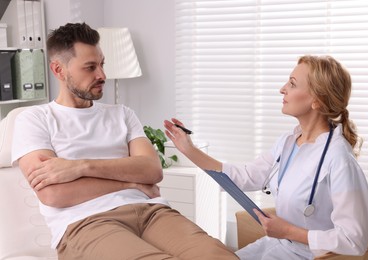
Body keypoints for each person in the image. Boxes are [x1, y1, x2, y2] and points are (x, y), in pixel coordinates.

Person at [11, 22, 238, 260]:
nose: (102, 75)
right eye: (90, 67)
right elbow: (54, 195)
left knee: (219, 255)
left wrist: (79, 167)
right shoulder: (34, 119)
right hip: (86, 223)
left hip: (152, 212)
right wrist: (129, 184)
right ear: (58, 70)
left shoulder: (122, 114)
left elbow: (151, 171)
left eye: (102, 64)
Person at [164, 55, 368, 260]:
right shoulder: (289, 142)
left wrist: (289, 231)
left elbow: (354, 239)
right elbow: (245, 176)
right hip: (277, 245)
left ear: (316, 101)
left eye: (292, 84)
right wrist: (188, 150)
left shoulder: (339, 159)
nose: (282, 89)